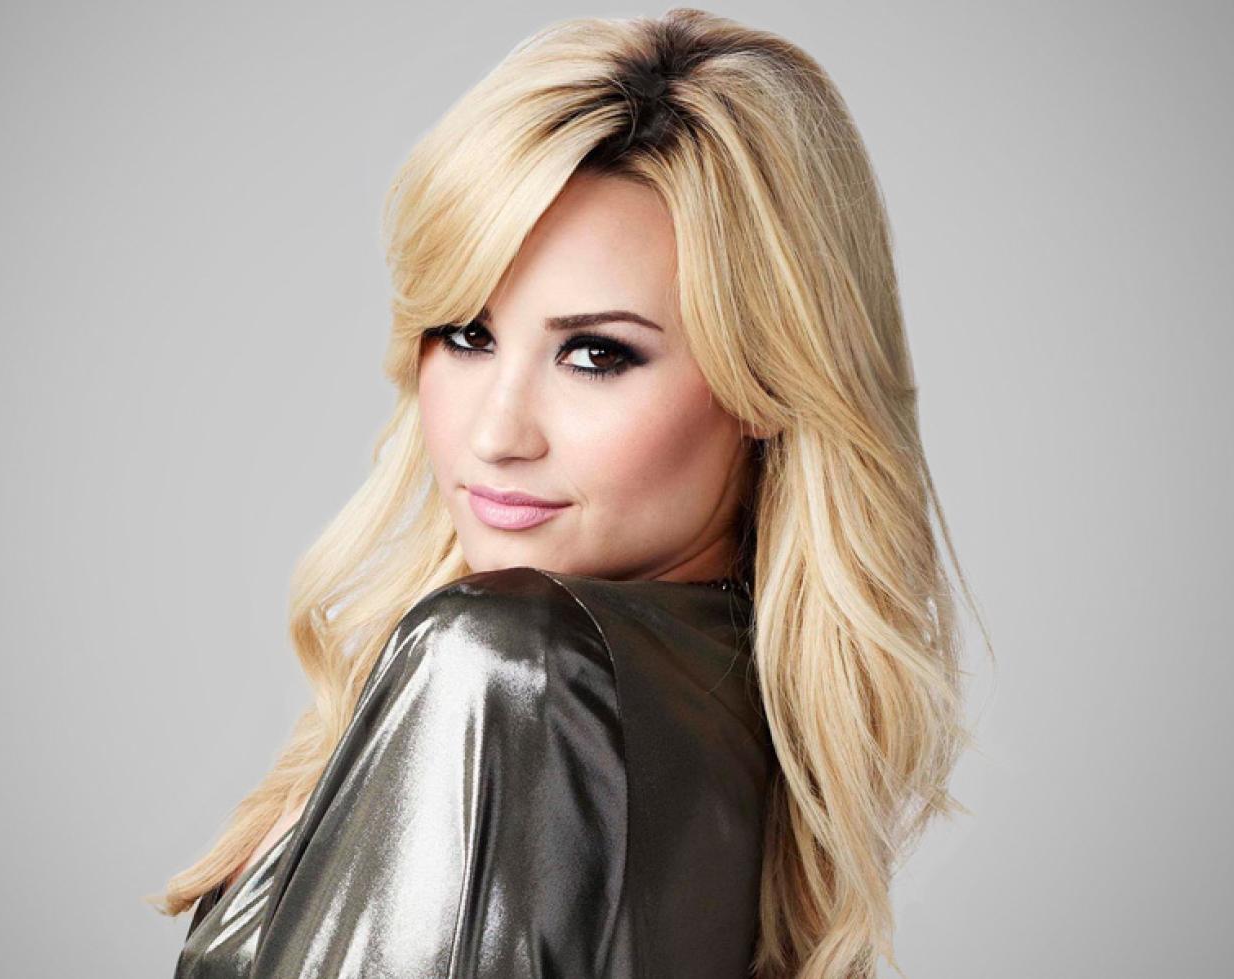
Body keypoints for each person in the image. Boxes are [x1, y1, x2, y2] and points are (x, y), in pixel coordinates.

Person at [151, 8, 984, 978]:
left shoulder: (513, 664)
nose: (496, 434)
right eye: (467, 334)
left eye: (595, 354)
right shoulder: (734, 722)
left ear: (765, 381)